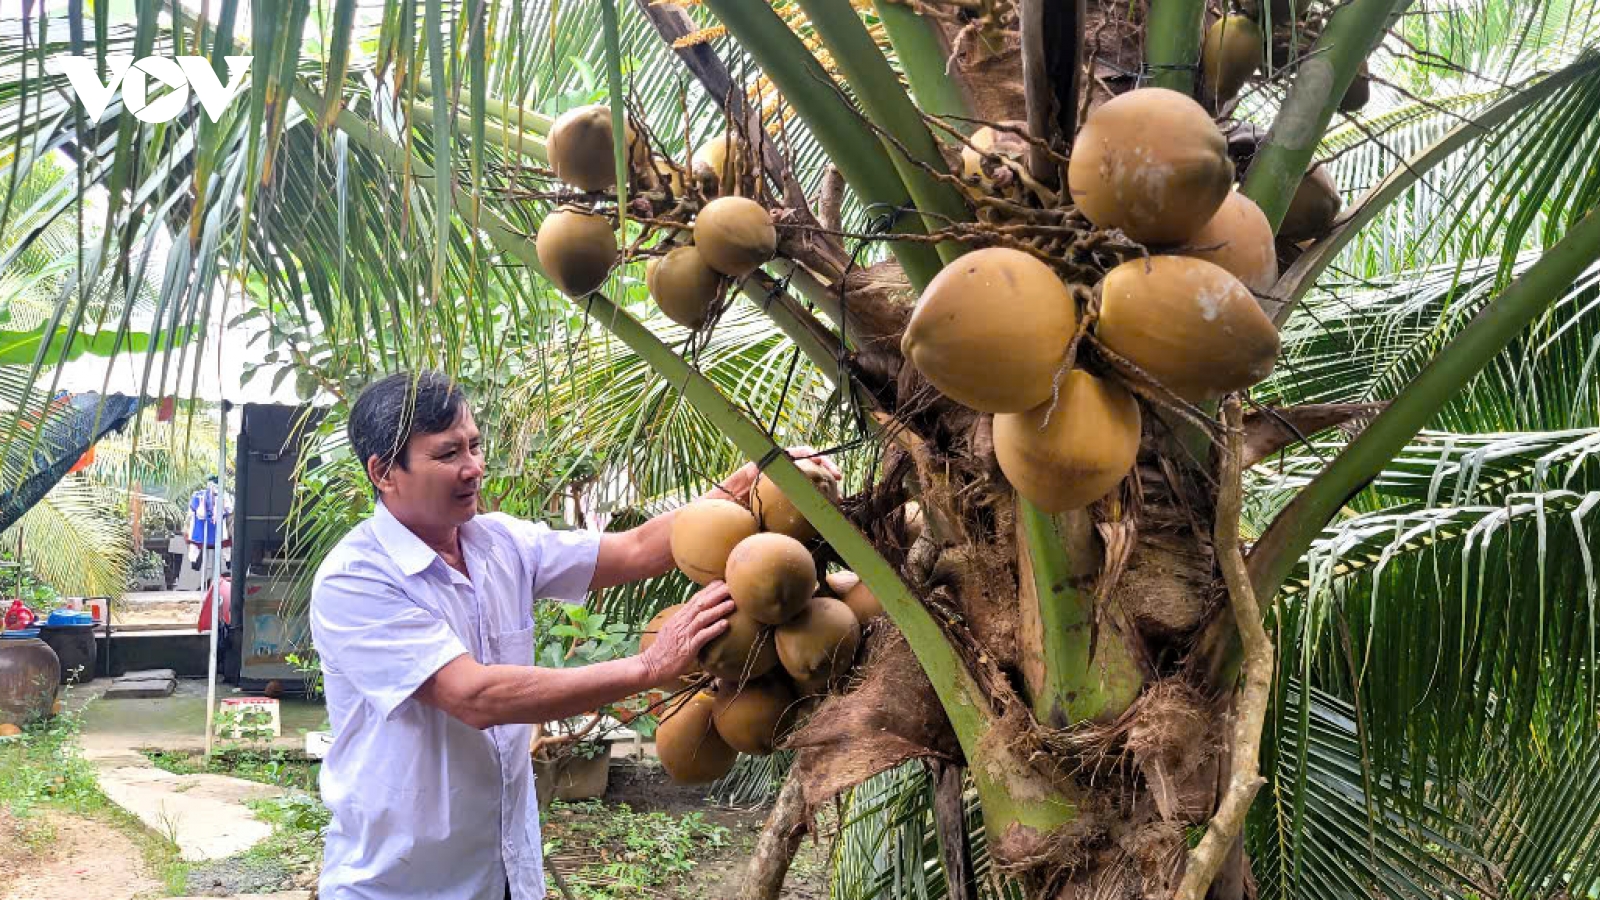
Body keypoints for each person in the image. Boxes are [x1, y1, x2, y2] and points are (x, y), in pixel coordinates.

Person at [309, 371, 838, 900]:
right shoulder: (358, 579)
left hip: (507, 877)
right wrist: (649, 668)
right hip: (399, 886)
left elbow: (635, 549)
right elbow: (474, 696)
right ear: (384, 472)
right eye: (447, 455)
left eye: (474, 445)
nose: (473, 468)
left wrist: (750, 481)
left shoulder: (498, 543)